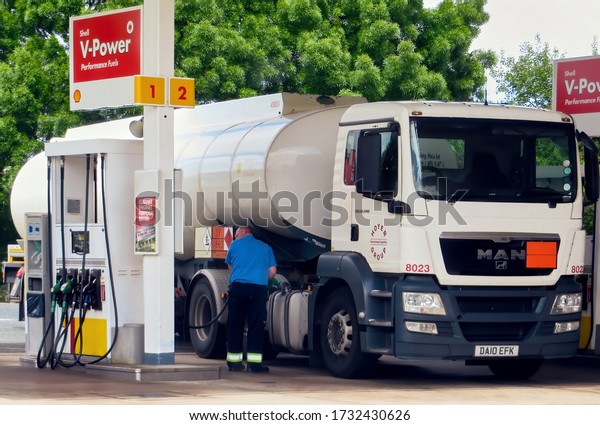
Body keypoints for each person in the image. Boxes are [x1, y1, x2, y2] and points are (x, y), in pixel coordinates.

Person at [225, 226, 277, 373]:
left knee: (235, 325)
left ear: (244, 232)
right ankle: (254, 365)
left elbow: (230, 265)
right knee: (256, 326)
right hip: (259, 289)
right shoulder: (266, 247)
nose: (235, 238)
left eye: (236, 235)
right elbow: (273, 271)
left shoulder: (234, 245)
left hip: (238, 288)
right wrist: (259, 277)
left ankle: (234, 364)